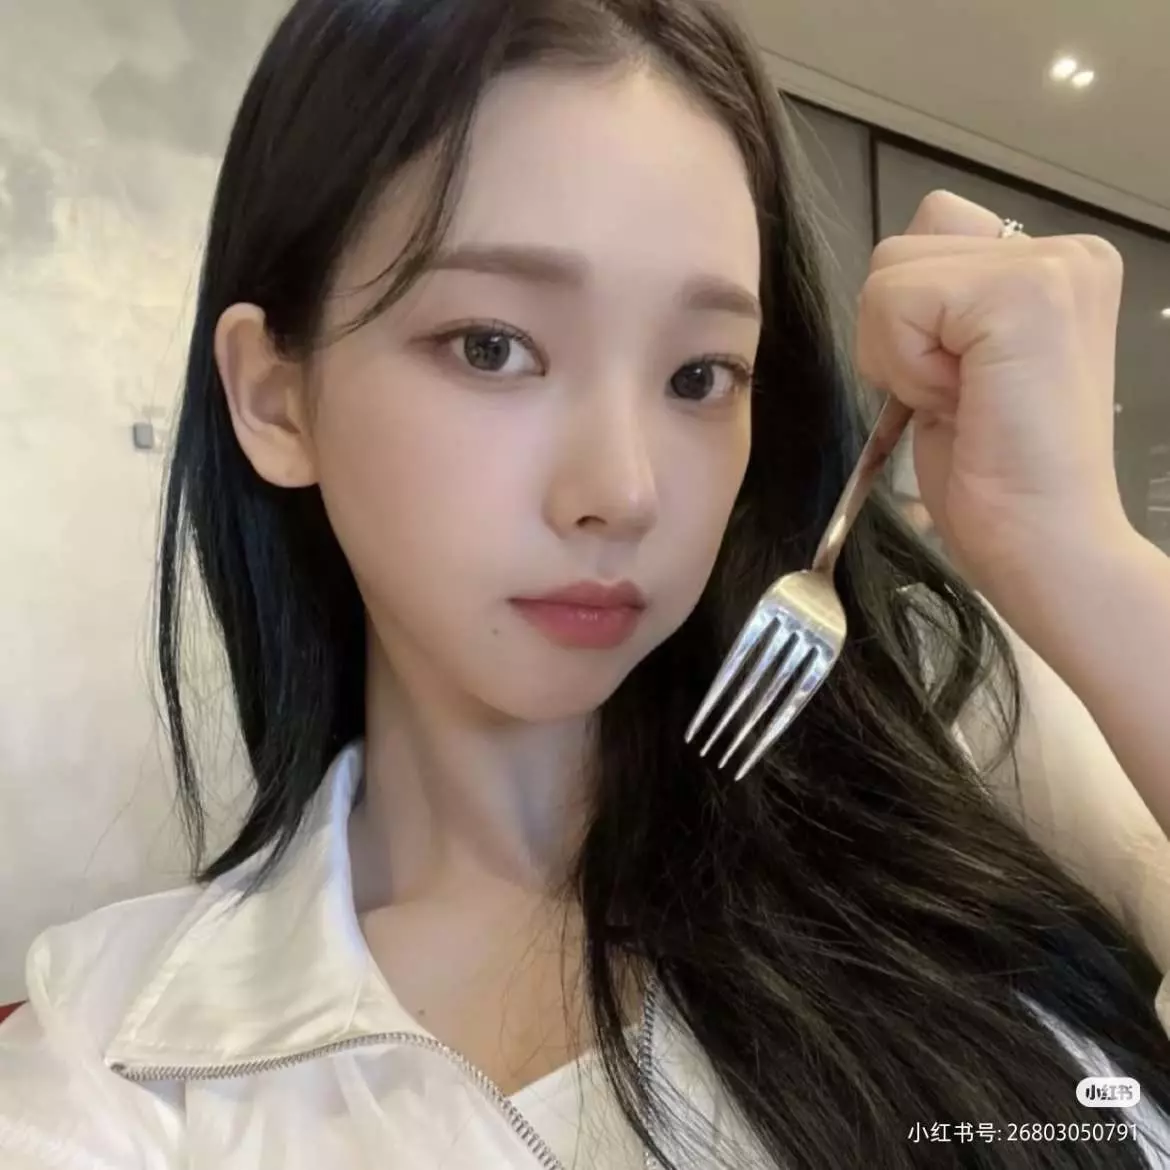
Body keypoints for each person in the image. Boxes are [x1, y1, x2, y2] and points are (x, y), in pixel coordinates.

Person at [1, 0, 1169, 1166]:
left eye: (700, 374)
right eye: (492, 346)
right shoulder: (128, 1050)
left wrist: (1081, 558)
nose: (624, 490)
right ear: (276, 398)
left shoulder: (953, 749)